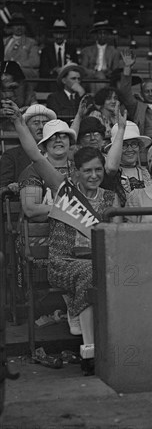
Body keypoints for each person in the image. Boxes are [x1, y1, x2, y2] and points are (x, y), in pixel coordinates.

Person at [5, 101, 119, 374]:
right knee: (93, 273)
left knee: (109, 271)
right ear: (76, 172)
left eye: (98, 171)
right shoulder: (64, 190)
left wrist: (122, 128)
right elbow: (35, 156)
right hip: (61, 263)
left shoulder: (110, 198)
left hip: (97, 262)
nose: (93, 175)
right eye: (87, 171)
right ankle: (91, 352)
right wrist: (20, 123)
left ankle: (107, 336)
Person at [18, 119, 76, 220]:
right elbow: (31, 209)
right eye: (52, 138)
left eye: (63, 136)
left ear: (70, 142)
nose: (58, 140)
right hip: (41, 232)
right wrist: (68, 211)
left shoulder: (79, 168)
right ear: (45, 145)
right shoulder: (33, 170)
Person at [0, 104, 56, 189]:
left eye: (45, 123)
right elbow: (3, 187)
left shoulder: (58, 153)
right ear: (26, 128)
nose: (41, 127)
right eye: (36, 123)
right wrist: (13, 187)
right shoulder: (11, 156)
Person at [103, 120, 152, 206]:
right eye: (124, 145)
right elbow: (111, 167)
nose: (130, 150)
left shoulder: (148, 172)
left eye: (134, 144)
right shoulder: (112, 174)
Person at [79, 21, 121, 91]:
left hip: (107, 78)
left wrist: (105, 72)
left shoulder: (114, 52)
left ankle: (96, 99)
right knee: (98, 77)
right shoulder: (87, 51)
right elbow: (83, 68)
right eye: (100, 33)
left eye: (104, 33)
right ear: (96, 35)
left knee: (100, 77)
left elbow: (115, 70)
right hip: (91, 77)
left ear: (108, 35)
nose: (102, 35)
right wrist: (95, 73)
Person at [3, 13, 40, 79]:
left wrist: (16, 65)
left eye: (21, 25)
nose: (19, 27)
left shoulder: (31, 42)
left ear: (25, 27)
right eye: (16, 25)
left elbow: (35, 61)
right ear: (11, 27)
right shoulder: (4, 41)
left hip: (23, 75)